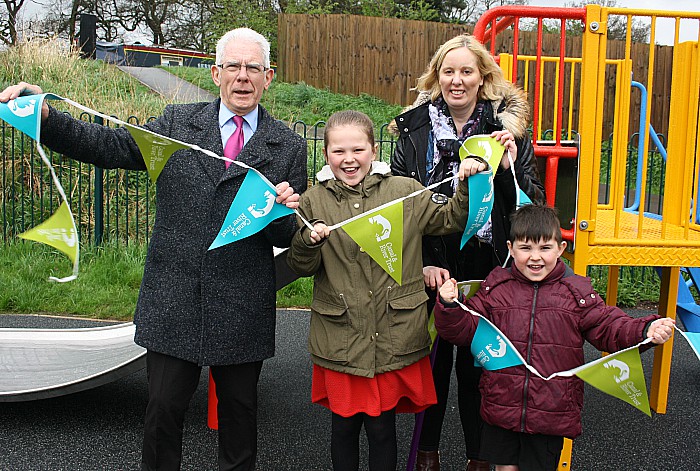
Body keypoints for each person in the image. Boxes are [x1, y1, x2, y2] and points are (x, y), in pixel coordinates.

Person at [0, 28, 307, 471]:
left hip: (241, 304)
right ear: (217, 73)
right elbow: (109, 145)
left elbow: (281, 237)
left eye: (253, 68)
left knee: (240, 422)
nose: (243, 77)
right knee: (163, 415)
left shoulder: (290, 147)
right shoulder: (176, 124)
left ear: (269, 77)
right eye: (234, 67)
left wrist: (284, 211)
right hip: (173, 299)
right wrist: (47, 117)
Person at [286, 110, 488, 471]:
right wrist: (308, 240)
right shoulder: (313, 200)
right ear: (326, 154)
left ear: (374, 150)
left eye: (358, 150)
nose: (349, 160)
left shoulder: (404, 191)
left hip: (392, 333)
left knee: (383, 429)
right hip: (341, 336)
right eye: (338, 151)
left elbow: (450, 220)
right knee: (343, 428)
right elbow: (302, 267)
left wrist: (467, 182)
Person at [390, 34, 545, 471]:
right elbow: (402, 202)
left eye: (467, 72)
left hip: (488, 264)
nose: (457, 80)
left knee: (479, 369)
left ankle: (481, 458)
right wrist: (420, 263)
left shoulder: (508, 134)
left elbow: (534, 203)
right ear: (437, 78)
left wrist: (510, 170)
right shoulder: (413, 130)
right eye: (448, 71)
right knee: (432, 366)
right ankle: (427, 453)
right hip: (433, 262)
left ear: (483, 79)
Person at [434, 203, 675, 471]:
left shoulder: (576, 292)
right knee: (503, 468)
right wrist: (450, 306)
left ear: (560, 249)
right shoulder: (497, 287)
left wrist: (644, 330)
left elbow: (609, 326)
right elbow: (465, 328)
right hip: (502, 403)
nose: (535, 257)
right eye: (525, 248)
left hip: (551, 408)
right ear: (510, 249)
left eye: (545, 248)